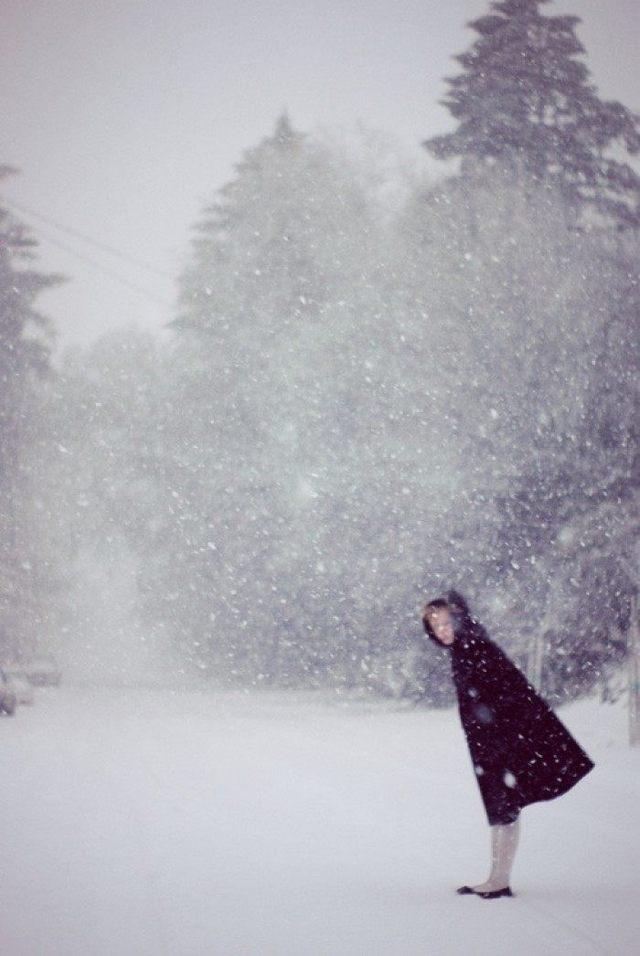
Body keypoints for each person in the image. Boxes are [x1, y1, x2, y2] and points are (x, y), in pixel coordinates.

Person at [421, 589, 595, 900]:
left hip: (500, 740)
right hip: (492, 740)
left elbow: (507, 692)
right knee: (502, 806)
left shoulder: (475, 647)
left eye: (447, 622)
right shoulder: (466, 647)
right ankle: (496, 878)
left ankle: (498, 881)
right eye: (436, 626)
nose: (443, 630)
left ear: (458, 620)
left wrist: (500, 737)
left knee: (504, 805)